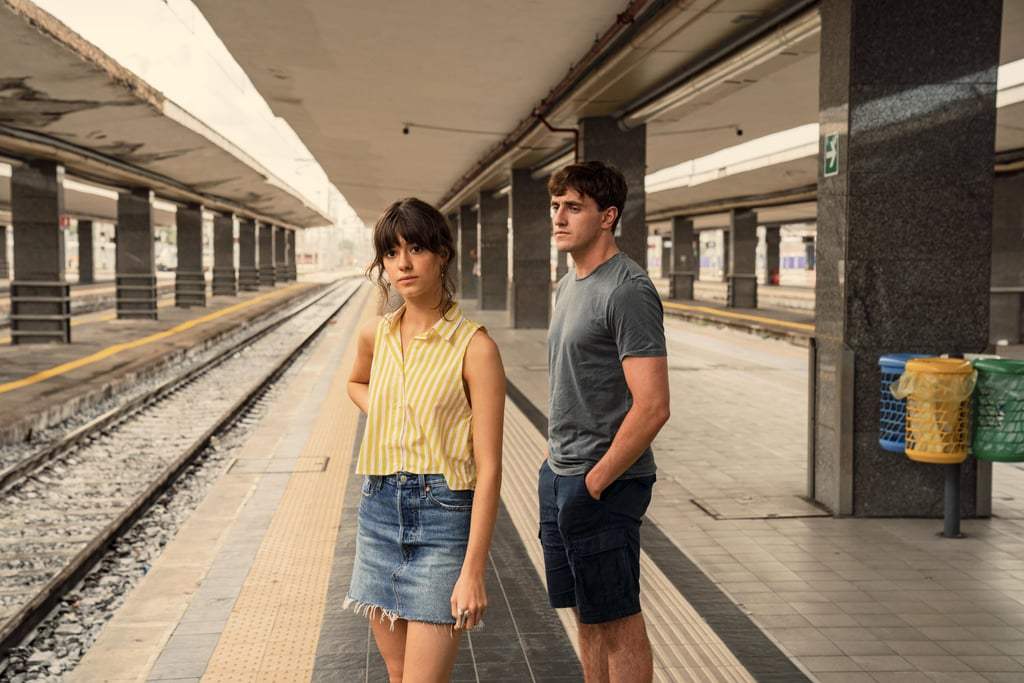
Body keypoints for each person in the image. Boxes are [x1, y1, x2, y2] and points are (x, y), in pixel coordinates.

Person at [345, 197, 505, 682]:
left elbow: (491, 467)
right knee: (397, 675)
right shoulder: (376, 334)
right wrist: (388, 411)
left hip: (442, 521)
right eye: (392, 254)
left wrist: (473, 569)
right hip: (377, 515)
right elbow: (356, 383)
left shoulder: (475, 347)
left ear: (442, 255)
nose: (404, 264)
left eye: (415, 248)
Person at [539, 162, 670, 682]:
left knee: (617, 618)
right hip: (561, 473)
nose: (559, 217)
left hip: (605, 482)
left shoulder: (627, 290)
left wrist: (595, 481)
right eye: (555, 207)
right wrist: (558, 469)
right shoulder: (570, 283)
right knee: (587, 614)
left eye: (573, 207)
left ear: (608, 216)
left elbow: (654, 404)